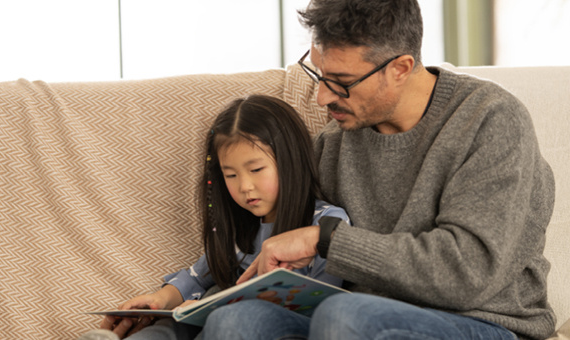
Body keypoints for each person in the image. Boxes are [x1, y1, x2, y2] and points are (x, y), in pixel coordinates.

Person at [198, 1, 556, 340]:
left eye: (341, 81)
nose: (323, 97)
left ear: (399, 69)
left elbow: (468, 273)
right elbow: (272, 249)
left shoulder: (490, 121)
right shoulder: (333, 143)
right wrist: (186, 298)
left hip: (479, 322)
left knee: (345, 315)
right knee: (236, 321)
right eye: (318, 73)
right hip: (348, 315)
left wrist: (325, 239)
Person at [78, 94, 350, 340]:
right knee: (167, 327)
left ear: (291, 161)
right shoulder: (239, 229)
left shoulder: (325, 225)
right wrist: (159, 300)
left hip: (282, 329)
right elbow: (196, 278)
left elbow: (322, 302)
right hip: (217, 321)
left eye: (256, 169)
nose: (244, 186)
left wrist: (213, 307)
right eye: (231, 175)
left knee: (225, 320)